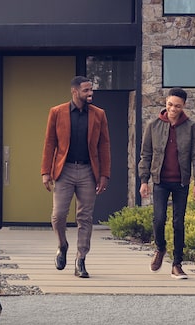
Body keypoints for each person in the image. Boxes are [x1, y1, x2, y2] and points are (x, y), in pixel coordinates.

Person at [41, 75, 112, 278]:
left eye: (91, 90)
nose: (90, 93)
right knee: (58, 215)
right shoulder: (57, 112)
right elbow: (49, 143)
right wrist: (46, 171)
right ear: (75, 92)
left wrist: (104, 174)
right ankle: (62, 245)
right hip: (64, 171)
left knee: (85, 217)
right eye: (86, 90)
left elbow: (104, 145)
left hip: (89, 171)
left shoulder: (99, 114)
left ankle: (81, 259)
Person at [138, 87, 195, 280]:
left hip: (181, 183)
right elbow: (146, 155)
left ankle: (177, 264)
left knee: (179, 223)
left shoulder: (192, 127)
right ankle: (160, 248)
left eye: (177, 106)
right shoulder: (153, 125)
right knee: (159, 219)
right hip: (160, 181)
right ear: (165, 103)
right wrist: (144, 181)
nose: (173, 109)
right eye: (169, 104)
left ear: (184, 106)